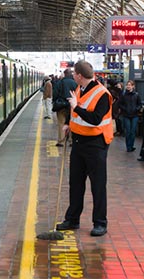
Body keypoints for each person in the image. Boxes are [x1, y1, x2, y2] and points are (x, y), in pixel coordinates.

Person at [55, 60, 113, 237]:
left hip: (96, 144)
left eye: (74, 74)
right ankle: (72, 219)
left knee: (98, 185)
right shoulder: (80, 90)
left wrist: (76, 107)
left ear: (80, 75)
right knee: (76, 183)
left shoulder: (102, 94)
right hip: (79, 143)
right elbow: (75, 114)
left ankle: (100, 223)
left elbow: (95, 118)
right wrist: (68, 124)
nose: (73, 76)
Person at [52, 68, 78, 147]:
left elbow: (55, 94)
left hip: (61, 106)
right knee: (72, 123)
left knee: (61, 123)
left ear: (65, 74)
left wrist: (55, 101)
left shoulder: (60, 83)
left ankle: (61, 141)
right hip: (72, 106)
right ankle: (71, 141)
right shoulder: (75, 83)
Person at [118, 80, 142, 153]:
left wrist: (136, 109)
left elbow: (139, 104)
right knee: (128, 131)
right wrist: (125, 109)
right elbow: (120, 104)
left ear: (133, 86)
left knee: (133, 131)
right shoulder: (123, 95)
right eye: (127, 85)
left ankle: (131, 146)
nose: (128, 86)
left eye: (130, 85)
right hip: (126, 115)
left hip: (135, 115)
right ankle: (128, 147)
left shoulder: (136, 95)